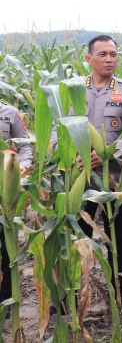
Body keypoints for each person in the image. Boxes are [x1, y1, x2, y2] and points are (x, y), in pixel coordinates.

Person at [49, 35, 122, 308]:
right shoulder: (72, 90)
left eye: (113, 54)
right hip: (80, 176)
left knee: (119, 238)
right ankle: (70, 294)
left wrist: (104, 154)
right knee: (78, 235)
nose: (109, 59)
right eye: (102, 54)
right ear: (88, 59)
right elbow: (57, 128)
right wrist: (70, 154)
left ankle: (118, 295)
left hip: (117, 177)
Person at [1, 102, 33, 309]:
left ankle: (5, 298)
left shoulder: (10, 112)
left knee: (7, 246)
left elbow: (25, 147)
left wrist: (22, 166)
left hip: (6, 192)